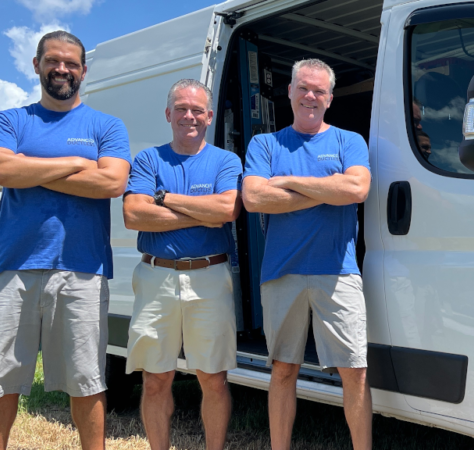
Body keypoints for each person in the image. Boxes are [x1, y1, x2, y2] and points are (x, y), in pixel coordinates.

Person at [0, 30, 132, 450]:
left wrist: (31, 167)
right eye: (52, 60)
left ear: (84, 70)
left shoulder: (106, 125)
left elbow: (113, 181)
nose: (61, 69)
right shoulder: (11, 120)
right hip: (12, 267)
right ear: (36, 65)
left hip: (82, 269)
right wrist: (76, 163)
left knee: (87, 382)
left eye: (70, 63)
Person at [242, 58, 373, 450]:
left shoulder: (349, 141)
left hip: (339, 273)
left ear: (330, 98)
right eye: (303, 87)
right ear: (290, 92)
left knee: (355, 372)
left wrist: (289, 183)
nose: (310, 96)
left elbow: (356, 191)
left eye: (318, 90)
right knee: (283, 370)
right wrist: (326, 187)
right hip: (282, 273)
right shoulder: (265, 143)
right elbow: (253, 198)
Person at [122, 78, 242, 450]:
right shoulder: (147, 159)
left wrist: (165, 199)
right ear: (168, 114)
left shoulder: (225, 160)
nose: (188, 116)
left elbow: (227, 210)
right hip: (156, 276)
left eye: (196, 110)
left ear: (208, 116)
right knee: (156, 379)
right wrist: (202, 214)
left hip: (209, 276)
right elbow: (133, 215)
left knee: (213, 379)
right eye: (181, 109)